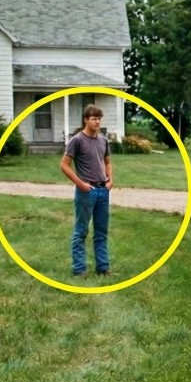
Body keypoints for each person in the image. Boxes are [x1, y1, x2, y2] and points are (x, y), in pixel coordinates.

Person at [60, 104, 113, 277]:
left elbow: (107, 162)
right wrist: (80, 183)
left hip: (102, 190)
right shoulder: (77, 140)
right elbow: (64, 165)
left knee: (101, 232)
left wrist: (110, 179)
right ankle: (79, 270)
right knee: (81, 231)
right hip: (86, 191)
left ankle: (103, 268)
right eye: (94, 118)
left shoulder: (103, 140)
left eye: (99, 118)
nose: (97, 122)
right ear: (86, 120)